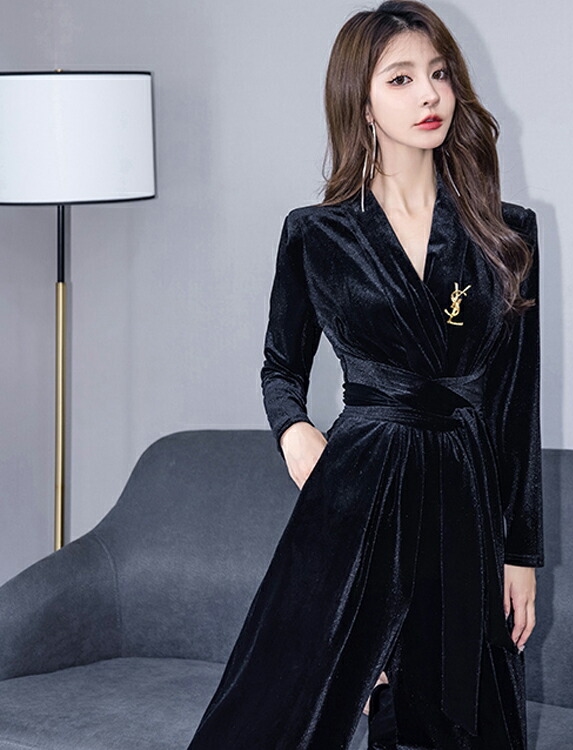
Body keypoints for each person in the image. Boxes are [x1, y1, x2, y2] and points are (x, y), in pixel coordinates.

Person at [186, 1, 543, 748]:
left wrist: (521, 552)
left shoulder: (506, 233)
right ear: (362, 101)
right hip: (357, 489)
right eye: (401, 79)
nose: (429, 95)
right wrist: (295, 433)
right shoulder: (316, 234)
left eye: (439, 74)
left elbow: (515, 404)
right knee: (281, 702)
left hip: (463, 495)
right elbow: (281, 366)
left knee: (451, 713)